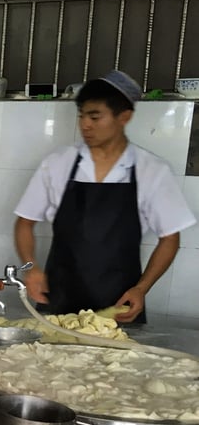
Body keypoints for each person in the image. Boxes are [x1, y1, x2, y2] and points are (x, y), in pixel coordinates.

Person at [13, 70, 195, 323]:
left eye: (95, 116)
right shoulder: (58, 164)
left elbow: (170, 238)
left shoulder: (151, 170)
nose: (85, 124)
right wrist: (31, 269)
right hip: (56, 302)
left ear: (124, 117)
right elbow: (24, 222)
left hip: (119, 306)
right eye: (82, 115)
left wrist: (141, 289)